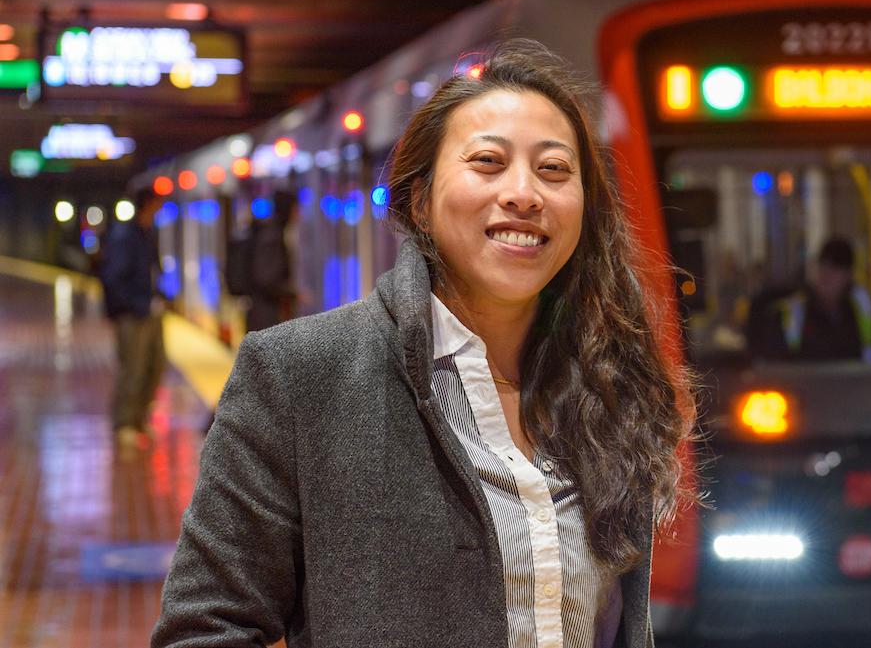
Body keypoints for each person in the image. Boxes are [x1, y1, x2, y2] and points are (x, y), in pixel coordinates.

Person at [152, 40, 694, 648]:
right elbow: (205, 629)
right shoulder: (299, 375)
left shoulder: (611, 382)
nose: (525, 193)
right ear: (419, 201)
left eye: (554, 169)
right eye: (487, 162)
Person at [747, 236, 871, 362]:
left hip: (861, 398)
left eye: (836, 267)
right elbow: (771, 362)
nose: (826, 274)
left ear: (849, 275)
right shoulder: (791, 314)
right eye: (823, 265)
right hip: (804, 398)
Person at [99, 187, 165, 451]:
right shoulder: (125, 236)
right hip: (132, 313)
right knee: (132, 368)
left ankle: (139, 419)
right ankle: (124, 423)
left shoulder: (145, 233)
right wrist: (136, 304)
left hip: (150, 310)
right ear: (147, 204)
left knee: (154, 365)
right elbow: (114, 278)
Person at [245, 189, 298, 331]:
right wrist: (292, 293)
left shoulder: (272, 232)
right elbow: (266, 278)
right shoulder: (273, 237)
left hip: (263, 312)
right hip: (266, 314)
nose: (298, 214)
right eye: (295, 208)